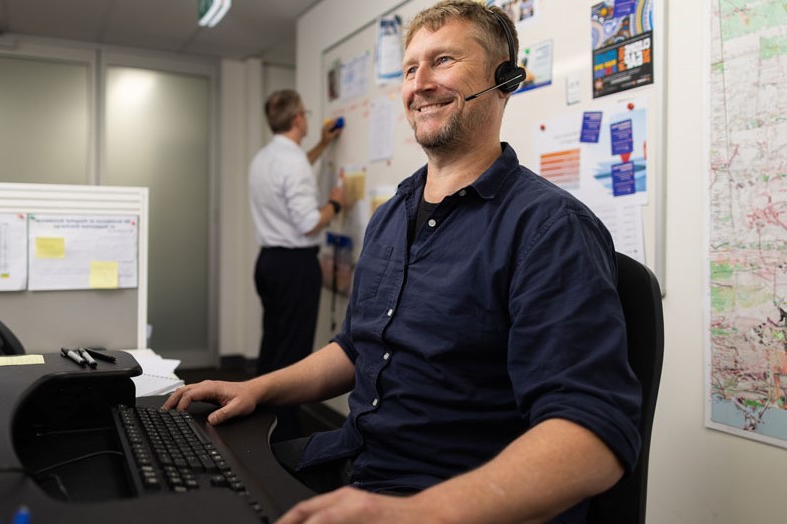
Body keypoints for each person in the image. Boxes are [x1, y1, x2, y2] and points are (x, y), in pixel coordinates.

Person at [165, 2, 641, 522]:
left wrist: (414, 514)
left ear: (505, 79)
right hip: (354, 465)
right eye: (411, 68)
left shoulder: (549, 227)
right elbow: (355, 348)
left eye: (443, 61)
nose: (420, 83)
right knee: (182, 495)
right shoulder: (392, 215)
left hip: (443, 498)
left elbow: (593, 435)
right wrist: (257, 388)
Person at [248, 90, 344, 377]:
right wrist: (336, 203)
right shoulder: (294, 163)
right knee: (293, 353)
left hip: (269, 263)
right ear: (298, 118)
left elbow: (296, 167)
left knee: (274, 343)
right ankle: (286, 422)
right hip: (295, 268)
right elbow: (308, 223)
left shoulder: (265, 158)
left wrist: (323, 144)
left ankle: (262, 415)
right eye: (305, 112)